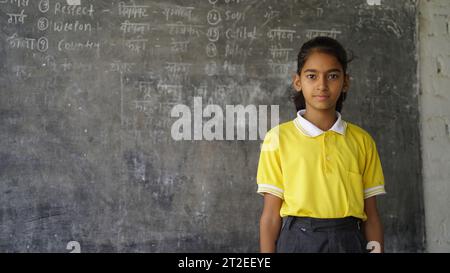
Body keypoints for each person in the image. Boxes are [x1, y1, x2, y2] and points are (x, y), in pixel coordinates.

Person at [256, 36, 386, 253]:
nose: (322, 85)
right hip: (297, 241)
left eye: (333, 76)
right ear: (298, 81)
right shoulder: (277, 138)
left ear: (345, 82)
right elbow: (270, 216)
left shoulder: (362, 141)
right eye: (312, 76)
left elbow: (371, 217)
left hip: (349, 241)